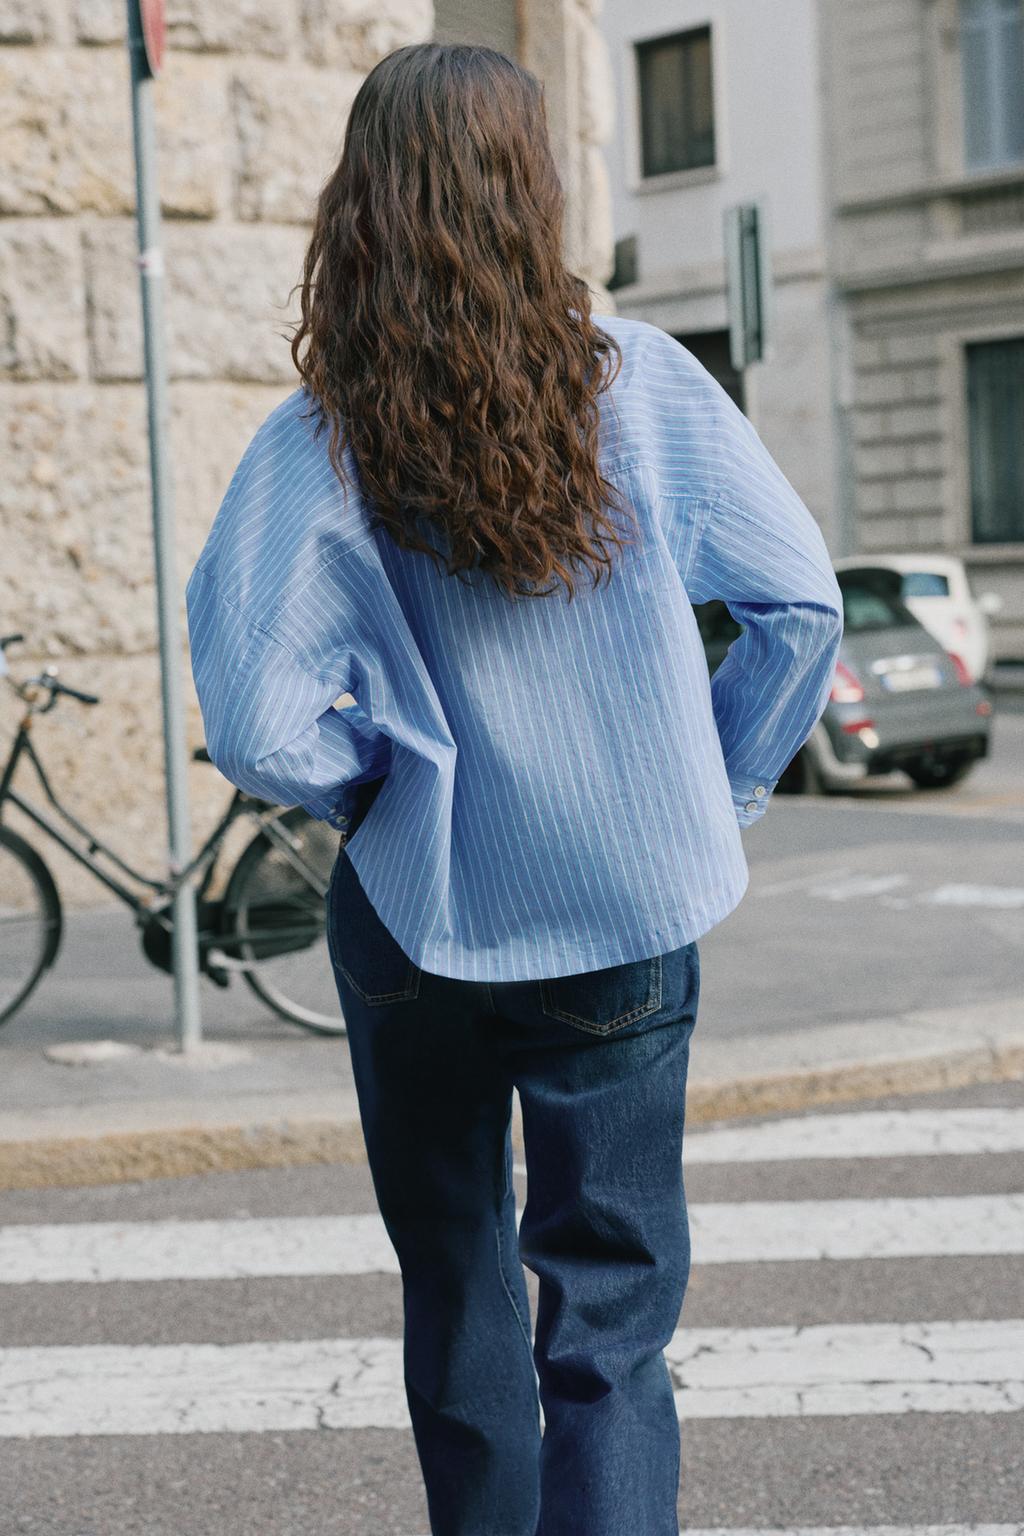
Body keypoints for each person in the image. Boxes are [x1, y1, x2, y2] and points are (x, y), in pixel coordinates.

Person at [185, 41, 844, 1536]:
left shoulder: (317, 443)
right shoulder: (650, 388)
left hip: (417, 924)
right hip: (620, 913)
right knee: (609, 1316)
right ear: (528, 192)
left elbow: (256, 720)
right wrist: (715, 787)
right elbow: (801, 607)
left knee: (458, 1277)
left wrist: (379, 791)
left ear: (360, 207)